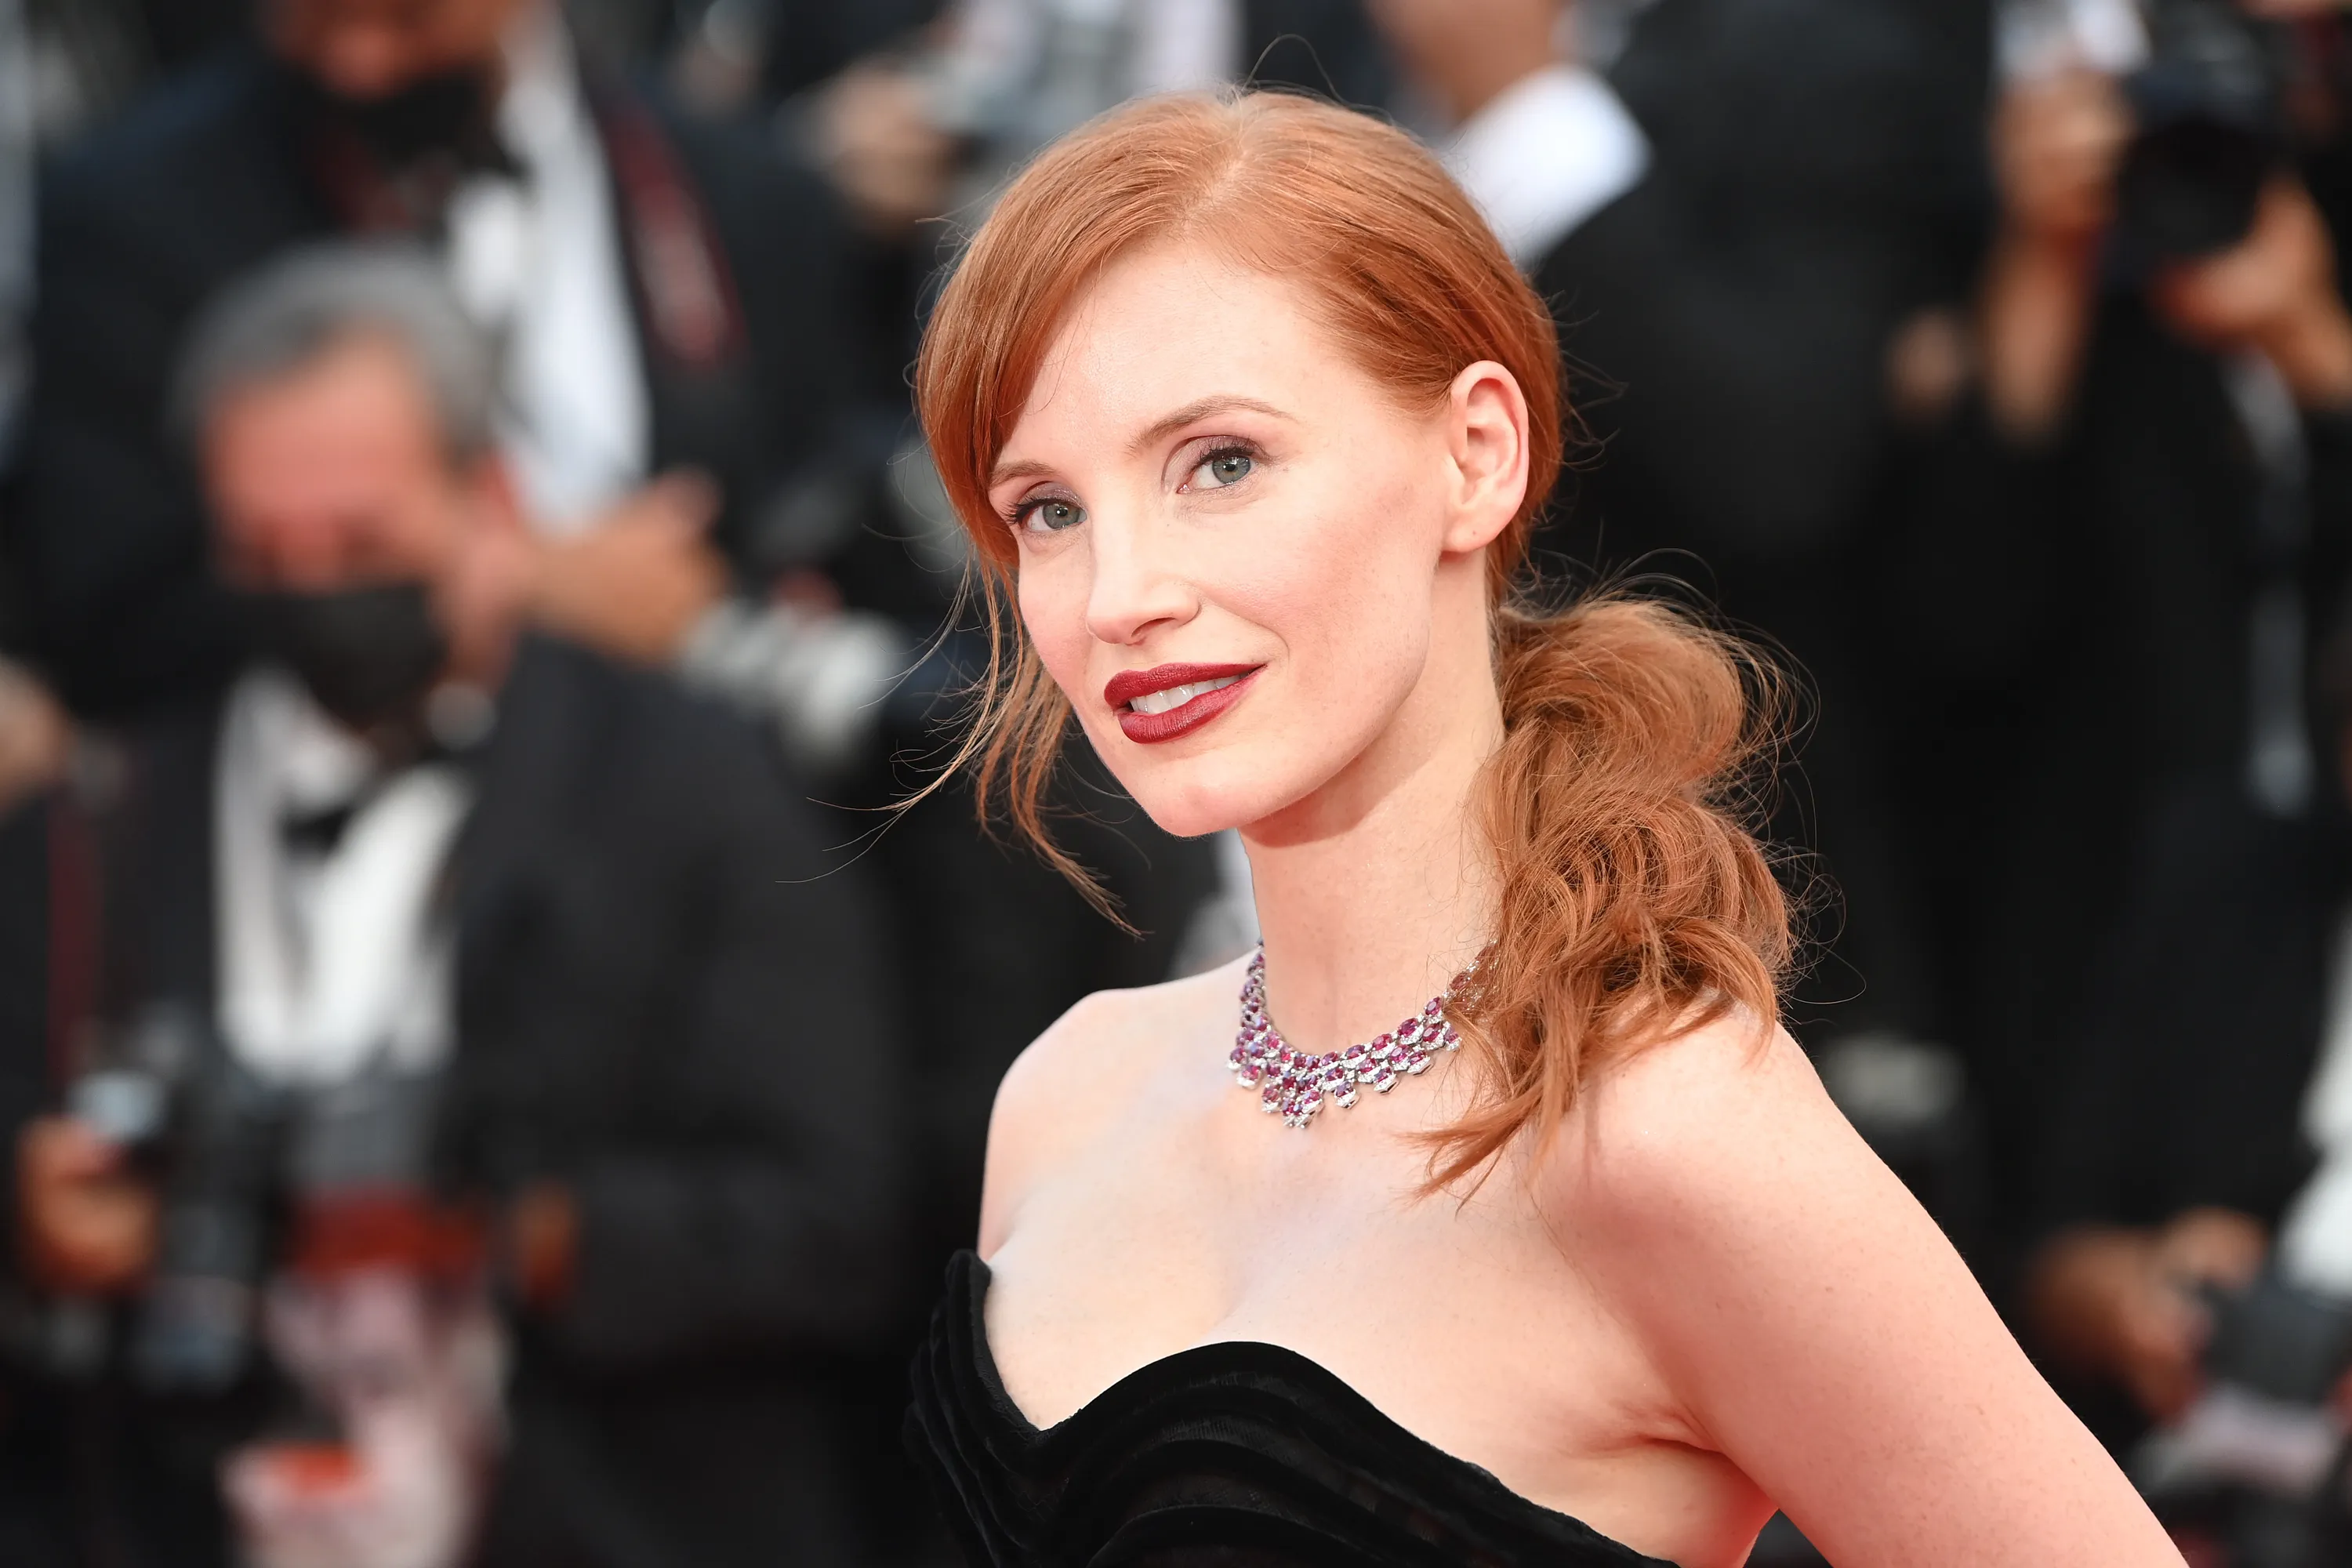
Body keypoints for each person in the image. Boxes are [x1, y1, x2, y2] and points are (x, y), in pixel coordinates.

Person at [898, 89, 2180, 1566]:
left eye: (1222, 464)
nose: (1120, 595)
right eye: (1048, 511)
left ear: (1477, 456)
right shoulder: (1068, 1093)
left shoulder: (1664, 1137)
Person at [9, 245, 906, 1568]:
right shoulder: (100, 828)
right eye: (266, 551)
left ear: (490, 501)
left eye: (361, 544)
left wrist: (500, 1231)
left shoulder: (692, 787)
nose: (319, 591)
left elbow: (840, 1222)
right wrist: (41, 1218)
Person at [13, 0, 895, 760]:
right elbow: (108, 614)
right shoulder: (131, 216)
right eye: (311, 14)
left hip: (700, 834)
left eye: (409, 16)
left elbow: (830, 525)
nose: (357, 65)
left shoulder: (747, 198)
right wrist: (510, 583)